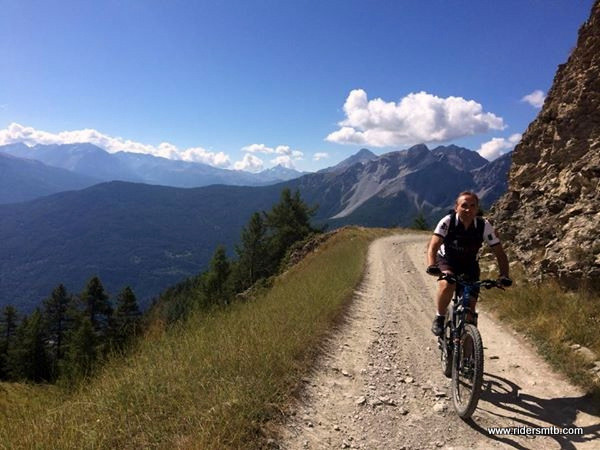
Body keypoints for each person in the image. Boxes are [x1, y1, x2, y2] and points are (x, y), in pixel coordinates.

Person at [426, 191, 512, 336]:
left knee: (470, 312)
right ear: (456, 207)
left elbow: (500, 253)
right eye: (464, 205)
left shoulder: (483, 225)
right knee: (447, 284)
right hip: (447, 260)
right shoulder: (448, 221)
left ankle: (469, 354)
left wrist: (504, 275)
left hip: (469, 264)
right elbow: (433, 246)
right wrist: (432, 265)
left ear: (477, 208)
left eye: (473, 206)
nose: (468, 209)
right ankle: (440, 317)